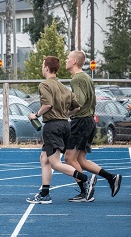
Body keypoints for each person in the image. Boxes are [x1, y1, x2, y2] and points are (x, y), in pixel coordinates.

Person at [27, 56, 95, 204]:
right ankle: (44, 194)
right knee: (44, 159)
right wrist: (65, 114)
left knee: (55, 163)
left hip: (53, 126)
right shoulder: (64, 86)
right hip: (65, 125)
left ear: (46, 68)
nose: (41, 68)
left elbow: (48, 105)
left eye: (42, 65)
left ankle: (85, 179)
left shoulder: (44, 85)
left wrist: (35, 115)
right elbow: (76, 107)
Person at [65, 51, 121, 201]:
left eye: (68, 58)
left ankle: (85, 189)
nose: (66, 60)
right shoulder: (87, 77)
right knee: (81, 160)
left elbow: (79, 102)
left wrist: (66, 113)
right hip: (89, 121)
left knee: (69, 158)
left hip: (81, 121)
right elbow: (93, 101)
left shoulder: (77, 79)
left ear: (75, 61)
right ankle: (112, 177)